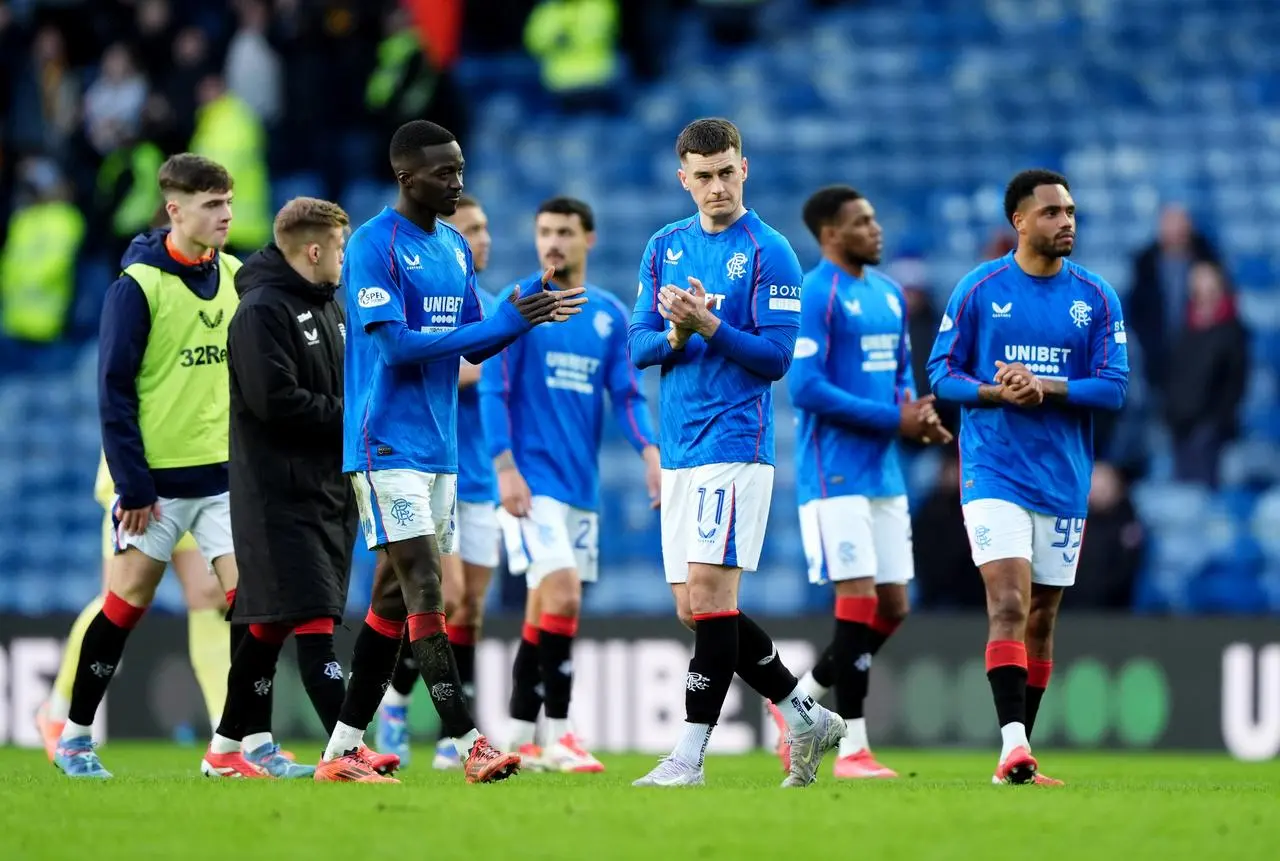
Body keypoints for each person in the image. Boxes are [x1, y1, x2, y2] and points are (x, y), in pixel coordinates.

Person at [314, 120, 586, 784]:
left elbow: (472, 342)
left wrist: (518, 320)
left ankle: (341, 750)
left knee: (391, 602)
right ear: (407, 177)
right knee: (428, 585)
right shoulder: (375, 244)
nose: (457, 182)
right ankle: (469, 741)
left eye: (461, 170)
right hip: (384, 443)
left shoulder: (455, 248)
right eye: (444, 173)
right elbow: (397, 345)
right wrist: (502, 322)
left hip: (439, 447)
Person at [628, 117, 846, 788]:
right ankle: (803, 711)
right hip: (680, 445)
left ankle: (688, 757)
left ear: (743, 169)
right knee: (692, 608)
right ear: (683, 178)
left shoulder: (770, 251)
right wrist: (677, 333)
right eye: (703, 175)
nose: (716, 186)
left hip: (735, 441)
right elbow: (637, 348)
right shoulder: (664, 246)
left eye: (727, 172)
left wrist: (708, 323)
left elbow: (776, 358)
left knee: (712, 599)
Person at [925, 168, 1129, 785]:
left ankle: (1020, 752)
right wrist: (993, 391)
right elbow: (941, 375)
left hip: (1063, 478)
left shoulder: (1095, 297)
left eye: (1070, 212)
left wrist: (1046, 386)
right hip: (993, 471)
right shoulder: (980, 289)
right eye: (1052, 213)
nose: (1066, 222)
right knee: (1009, 602)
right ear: (1019, 220)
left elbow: (1114, 387)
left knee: (1042, 615)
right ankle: (1012, 746)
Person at [55, 154, 243, 779]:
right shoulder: (137, 287)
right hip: (149, 483)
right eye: (213, 204)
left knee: (238, 602)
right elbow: (113, 391)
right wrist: (134, 482)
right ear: (175, 210)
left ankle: (240, 744)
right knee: (126, 600)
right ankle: (72, 730)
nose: (226, 214)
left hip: (216, 479)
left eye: (228, 202)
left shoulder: (239, 276)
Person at [779, 185, 951, 780]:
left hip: (884, 472)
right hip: (835, 474)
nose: (876, 230)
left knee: (893, 606)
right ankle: (852, 750)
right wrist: (893, 418)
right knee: (855, 603)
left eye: (874, 218)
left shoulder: (888, 295)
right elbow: (804, 389)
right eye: (862, 222)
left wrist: (917, 417)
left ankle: (799, 705)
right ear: (831, 234)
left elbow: (900, 377)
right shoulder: (815, 293)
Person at [483, 196, 660, 772]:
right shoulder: (521, 306)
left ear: (589, 239)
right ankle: (559, 736)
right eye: (543, 232)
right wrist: (504, 467)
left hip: (579, 488)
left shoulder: (608, 315)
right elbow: (493, 389)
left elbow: (628, 396)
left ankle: (515, 737)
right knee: (562, 594)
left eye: (564, 231)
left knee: (544, 609)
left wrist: (651, 453)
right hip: (530, 484)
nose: (552, 242)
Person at [199, 196, 362, 779]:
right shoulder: (260, 311)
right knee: (315, 618)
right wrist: (353, 419)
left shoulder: (333, 309)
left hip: (327, 490)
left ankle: (223, 751)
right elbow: (275, 402)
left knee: (266, 624)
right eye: (340, 247)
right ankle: (347, 751)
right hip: (277, 493)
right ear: (314, 250)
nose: (345, 258)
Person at [376, 195, 503, 771]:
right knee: (443, 598)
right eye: (470, 229)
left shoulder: (492, 304)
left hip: (480, 476)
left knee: (472, 607)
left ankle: (458, 725)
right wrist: (502, 335)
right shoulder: (438, 303)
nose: (481, 239)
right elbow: (473, 369)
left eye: (483, 229)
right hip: (430, 463)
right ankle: (398, 707)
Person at [36, 453, 230, 761]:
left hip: (194, 475)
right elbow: (119, 410)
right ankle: (58, 709)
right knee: (121, 598)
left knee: (208, 594)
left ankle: (228, 732)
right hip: (141, 480)